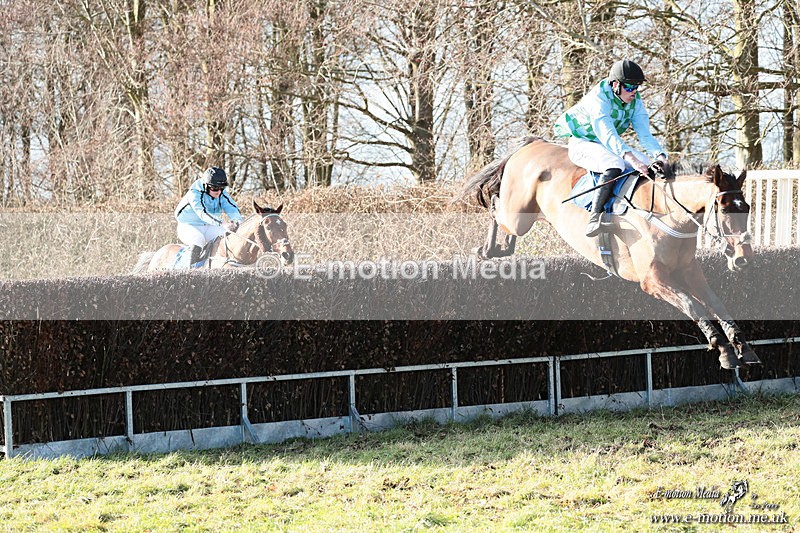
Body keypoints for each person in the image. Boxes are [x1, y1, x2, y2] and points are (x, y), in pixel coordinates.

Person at [554, 58, 668, 237]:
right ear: (615, 85)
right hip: (582, 143)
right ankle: (595, 217)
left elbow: (644, 134)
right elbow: (608, 135)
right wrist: (631, 159)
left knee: (646, 162)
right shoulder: (598, 99)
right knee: (615, 164)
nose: (634, 92)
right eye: (630, 87)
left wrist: (660, 156)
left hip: (605, 144)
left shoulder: (635, 101)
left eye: (637, 87)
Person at [174, 166, 243, 266]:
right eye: (214, 188)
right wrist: (222, 223)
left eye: (221, 188)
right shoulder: (195, 193)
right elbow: (203, 213)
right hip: (188, 226)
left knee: (227, 236)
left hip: (209, 225)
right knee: (198, 239)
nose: (218, 191)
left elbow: (231, 206)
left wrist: (237, 220)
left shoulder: (220, 192)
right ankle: (190, 273)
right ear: (205, 185)